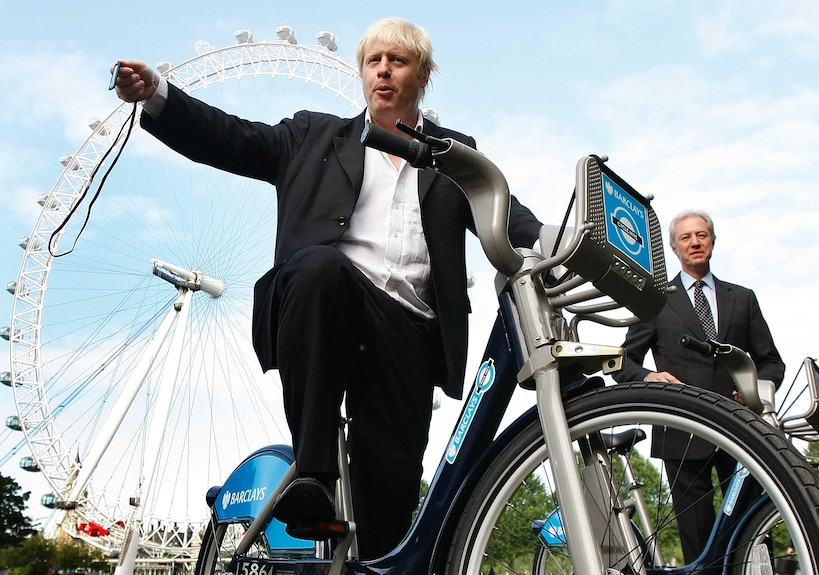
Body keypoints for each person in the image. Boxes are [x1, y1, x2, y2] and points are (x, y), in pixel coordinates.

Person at [112, 17, 542, 559]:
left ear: (424, 76)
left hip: (411, 331)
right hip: (329, 304)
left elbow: (510, 217)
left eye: (398, 61)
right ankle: (311, 474)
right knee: (318, 267)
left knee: (390, 494)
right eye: (373, 61)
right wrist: (158, 97)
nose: (383, 71)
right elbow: (230, 138)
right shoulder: (312, 134)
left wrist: (567, 246)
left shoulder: (455, 155)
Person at [611, 209, 784, 564]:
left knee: (753, 533)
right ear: (674, 248)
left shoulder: (743, 298)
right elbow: (622, 361)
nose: (695, 242)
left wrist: (756, 390)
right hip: (682, 432)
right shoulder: (656, 300)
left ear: (713, 242)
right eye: (686, 237)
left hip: (741, 430)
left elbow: (771, 362)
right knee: (697, 538)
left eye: (701, 235)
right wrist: (648, 378)